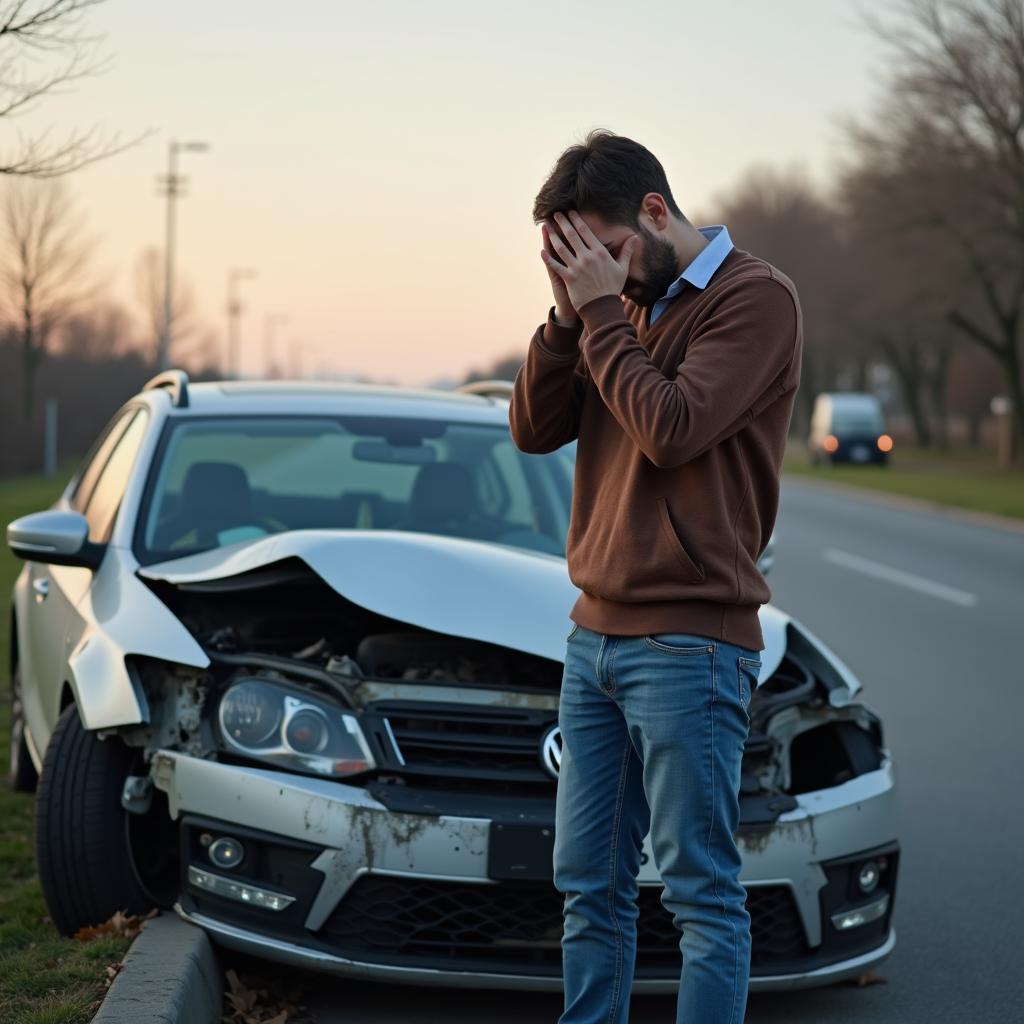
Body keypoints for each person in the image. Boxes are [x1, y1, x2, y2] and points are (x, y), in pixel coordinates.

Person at [508, 130, 803, 1024]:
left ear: (653, 210)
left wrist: (601, 316)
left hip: (691, 641)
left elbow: (672, 428)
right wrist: (568, 316)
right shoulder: (611, 307)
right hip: (593, 635)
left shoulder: (756, 299)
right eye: (575, 258)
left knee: (698, 894)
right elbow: (531, 427)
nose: (600, 271)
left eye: (605, 249)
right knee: (586, 887)